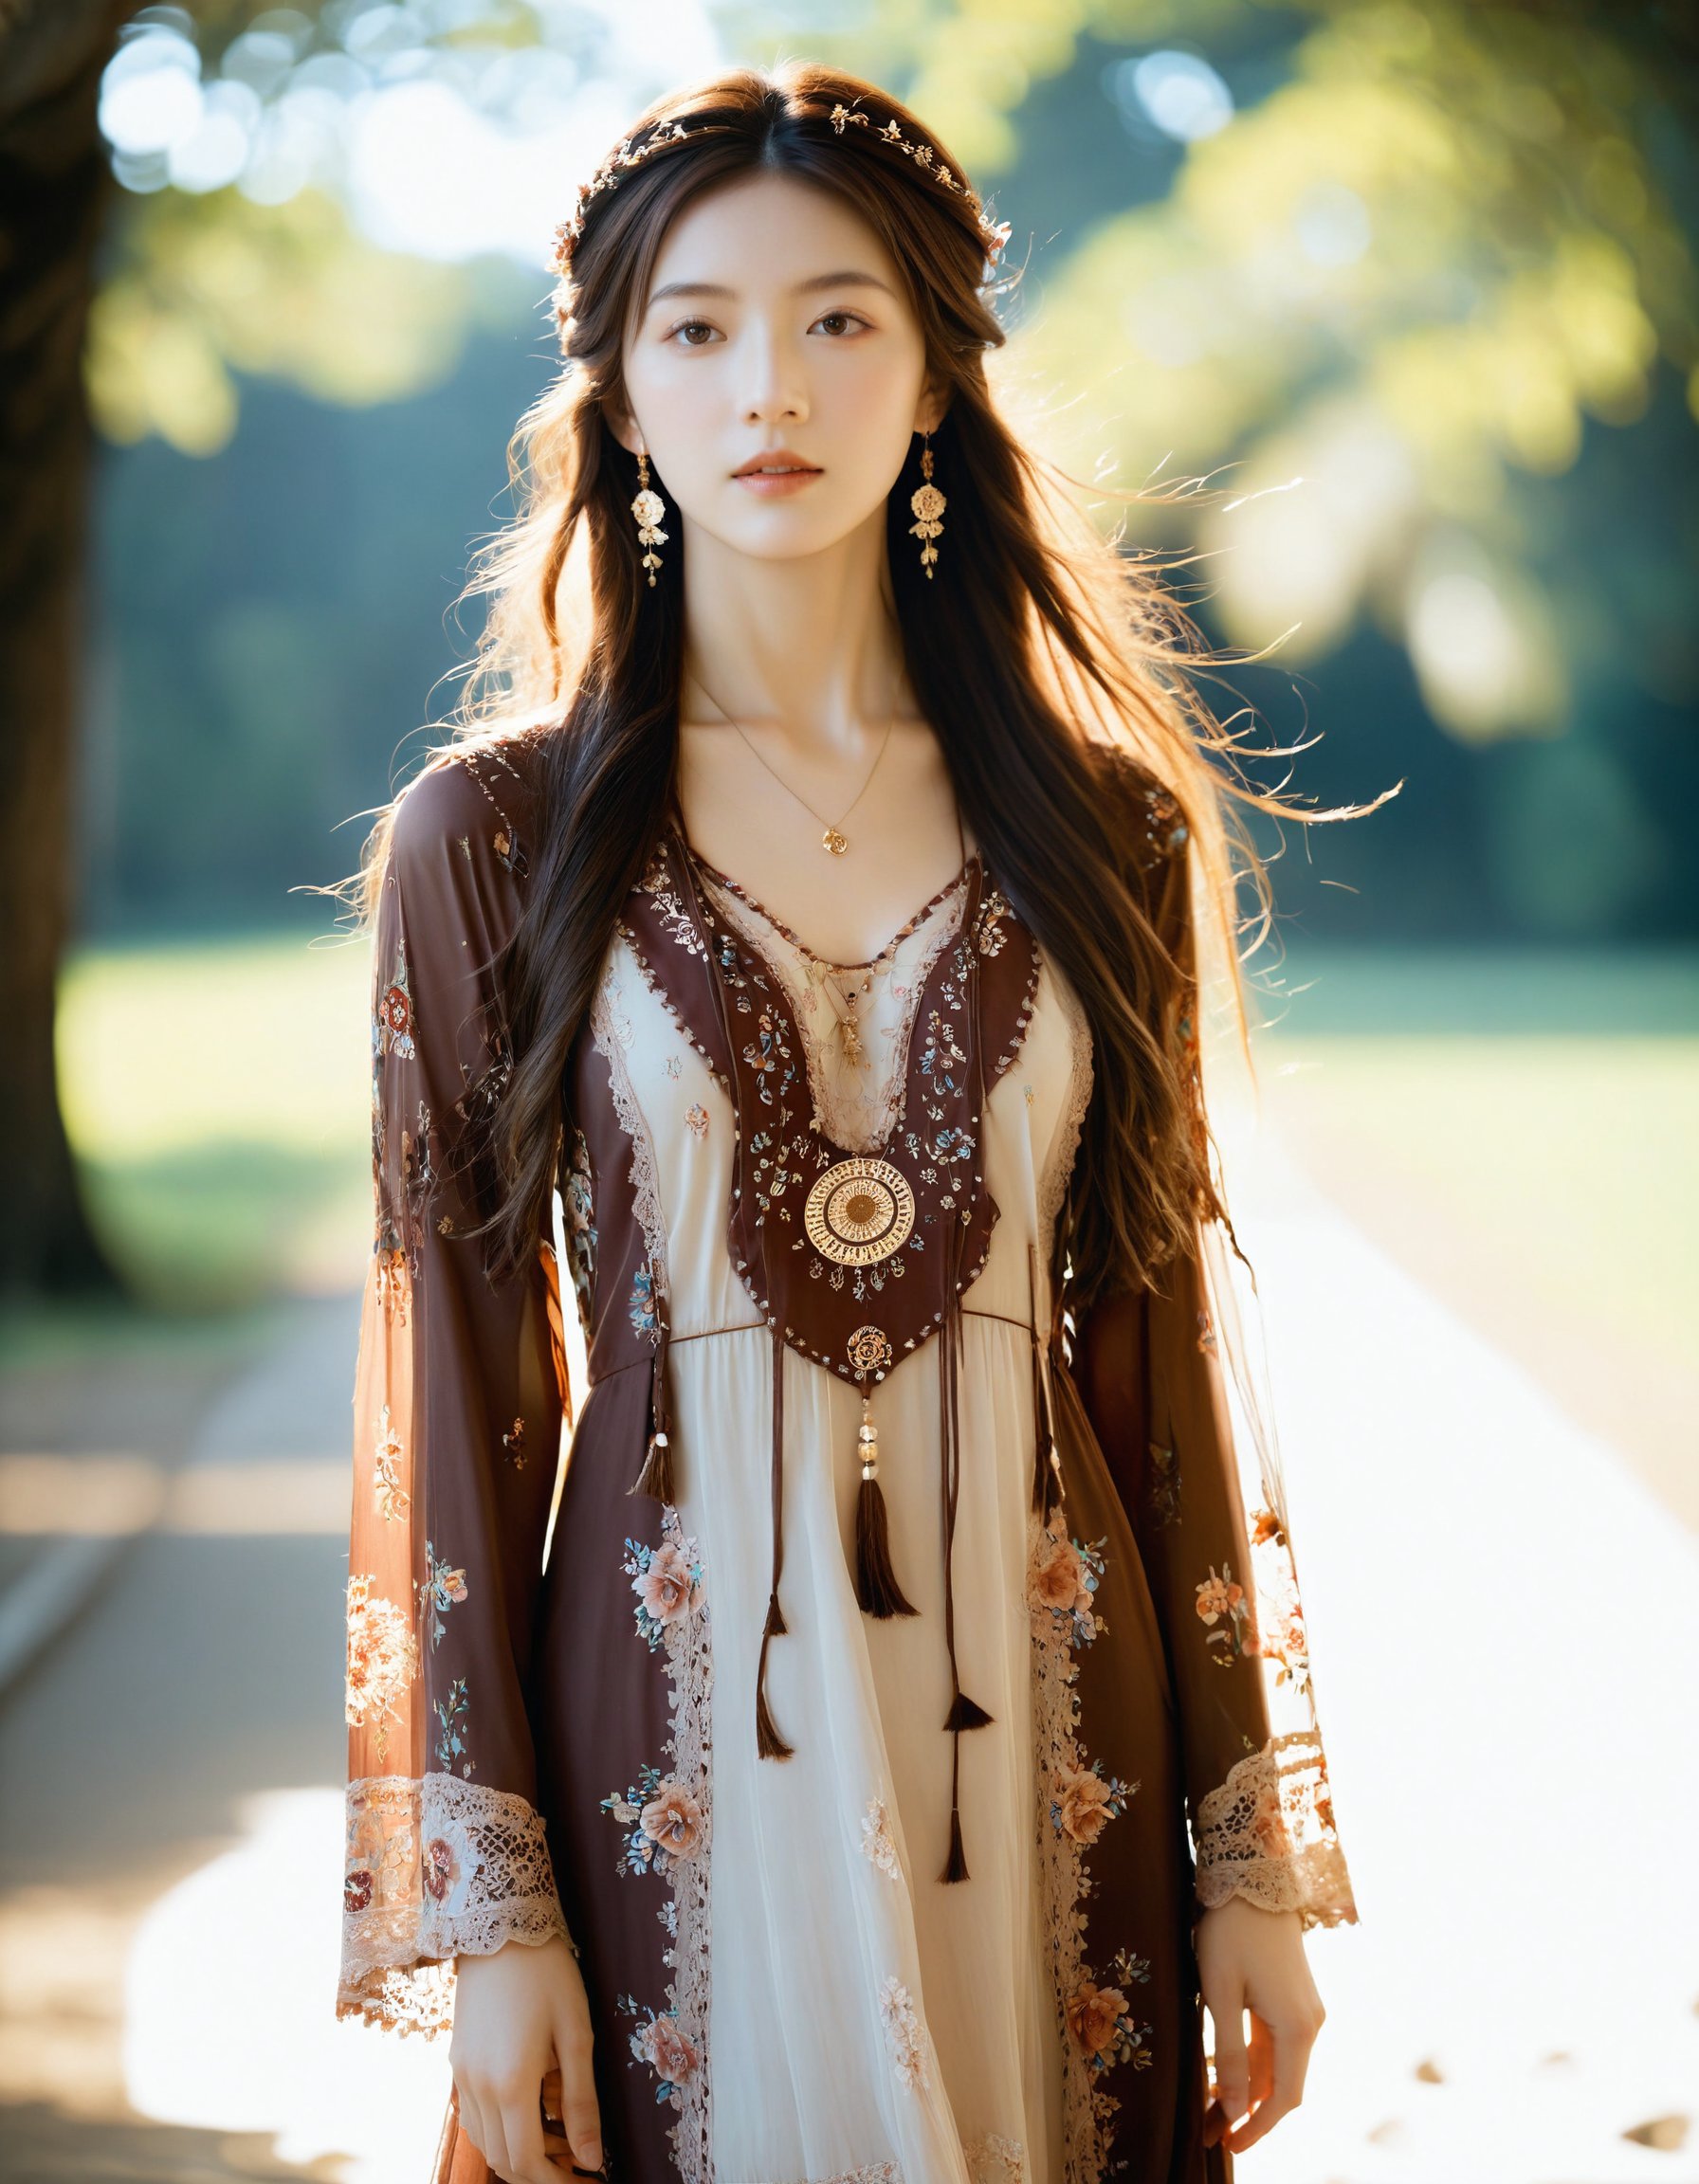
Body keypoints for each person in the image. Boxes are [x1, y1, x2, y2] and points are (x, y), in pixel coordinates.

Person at [333, 59, 1364, 2184]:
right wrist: (488, 1910)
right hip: (671, 1733)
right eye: (693, 329)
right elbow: (457, 1374)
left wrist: (1243, 1848)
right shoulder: (491, 839)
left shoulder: (1099, 830)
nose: (763, 386)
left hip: (1053, 1727)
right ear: (618, 397)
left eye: (835, 318)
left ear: (928, 376)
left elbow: (1154, 1351)